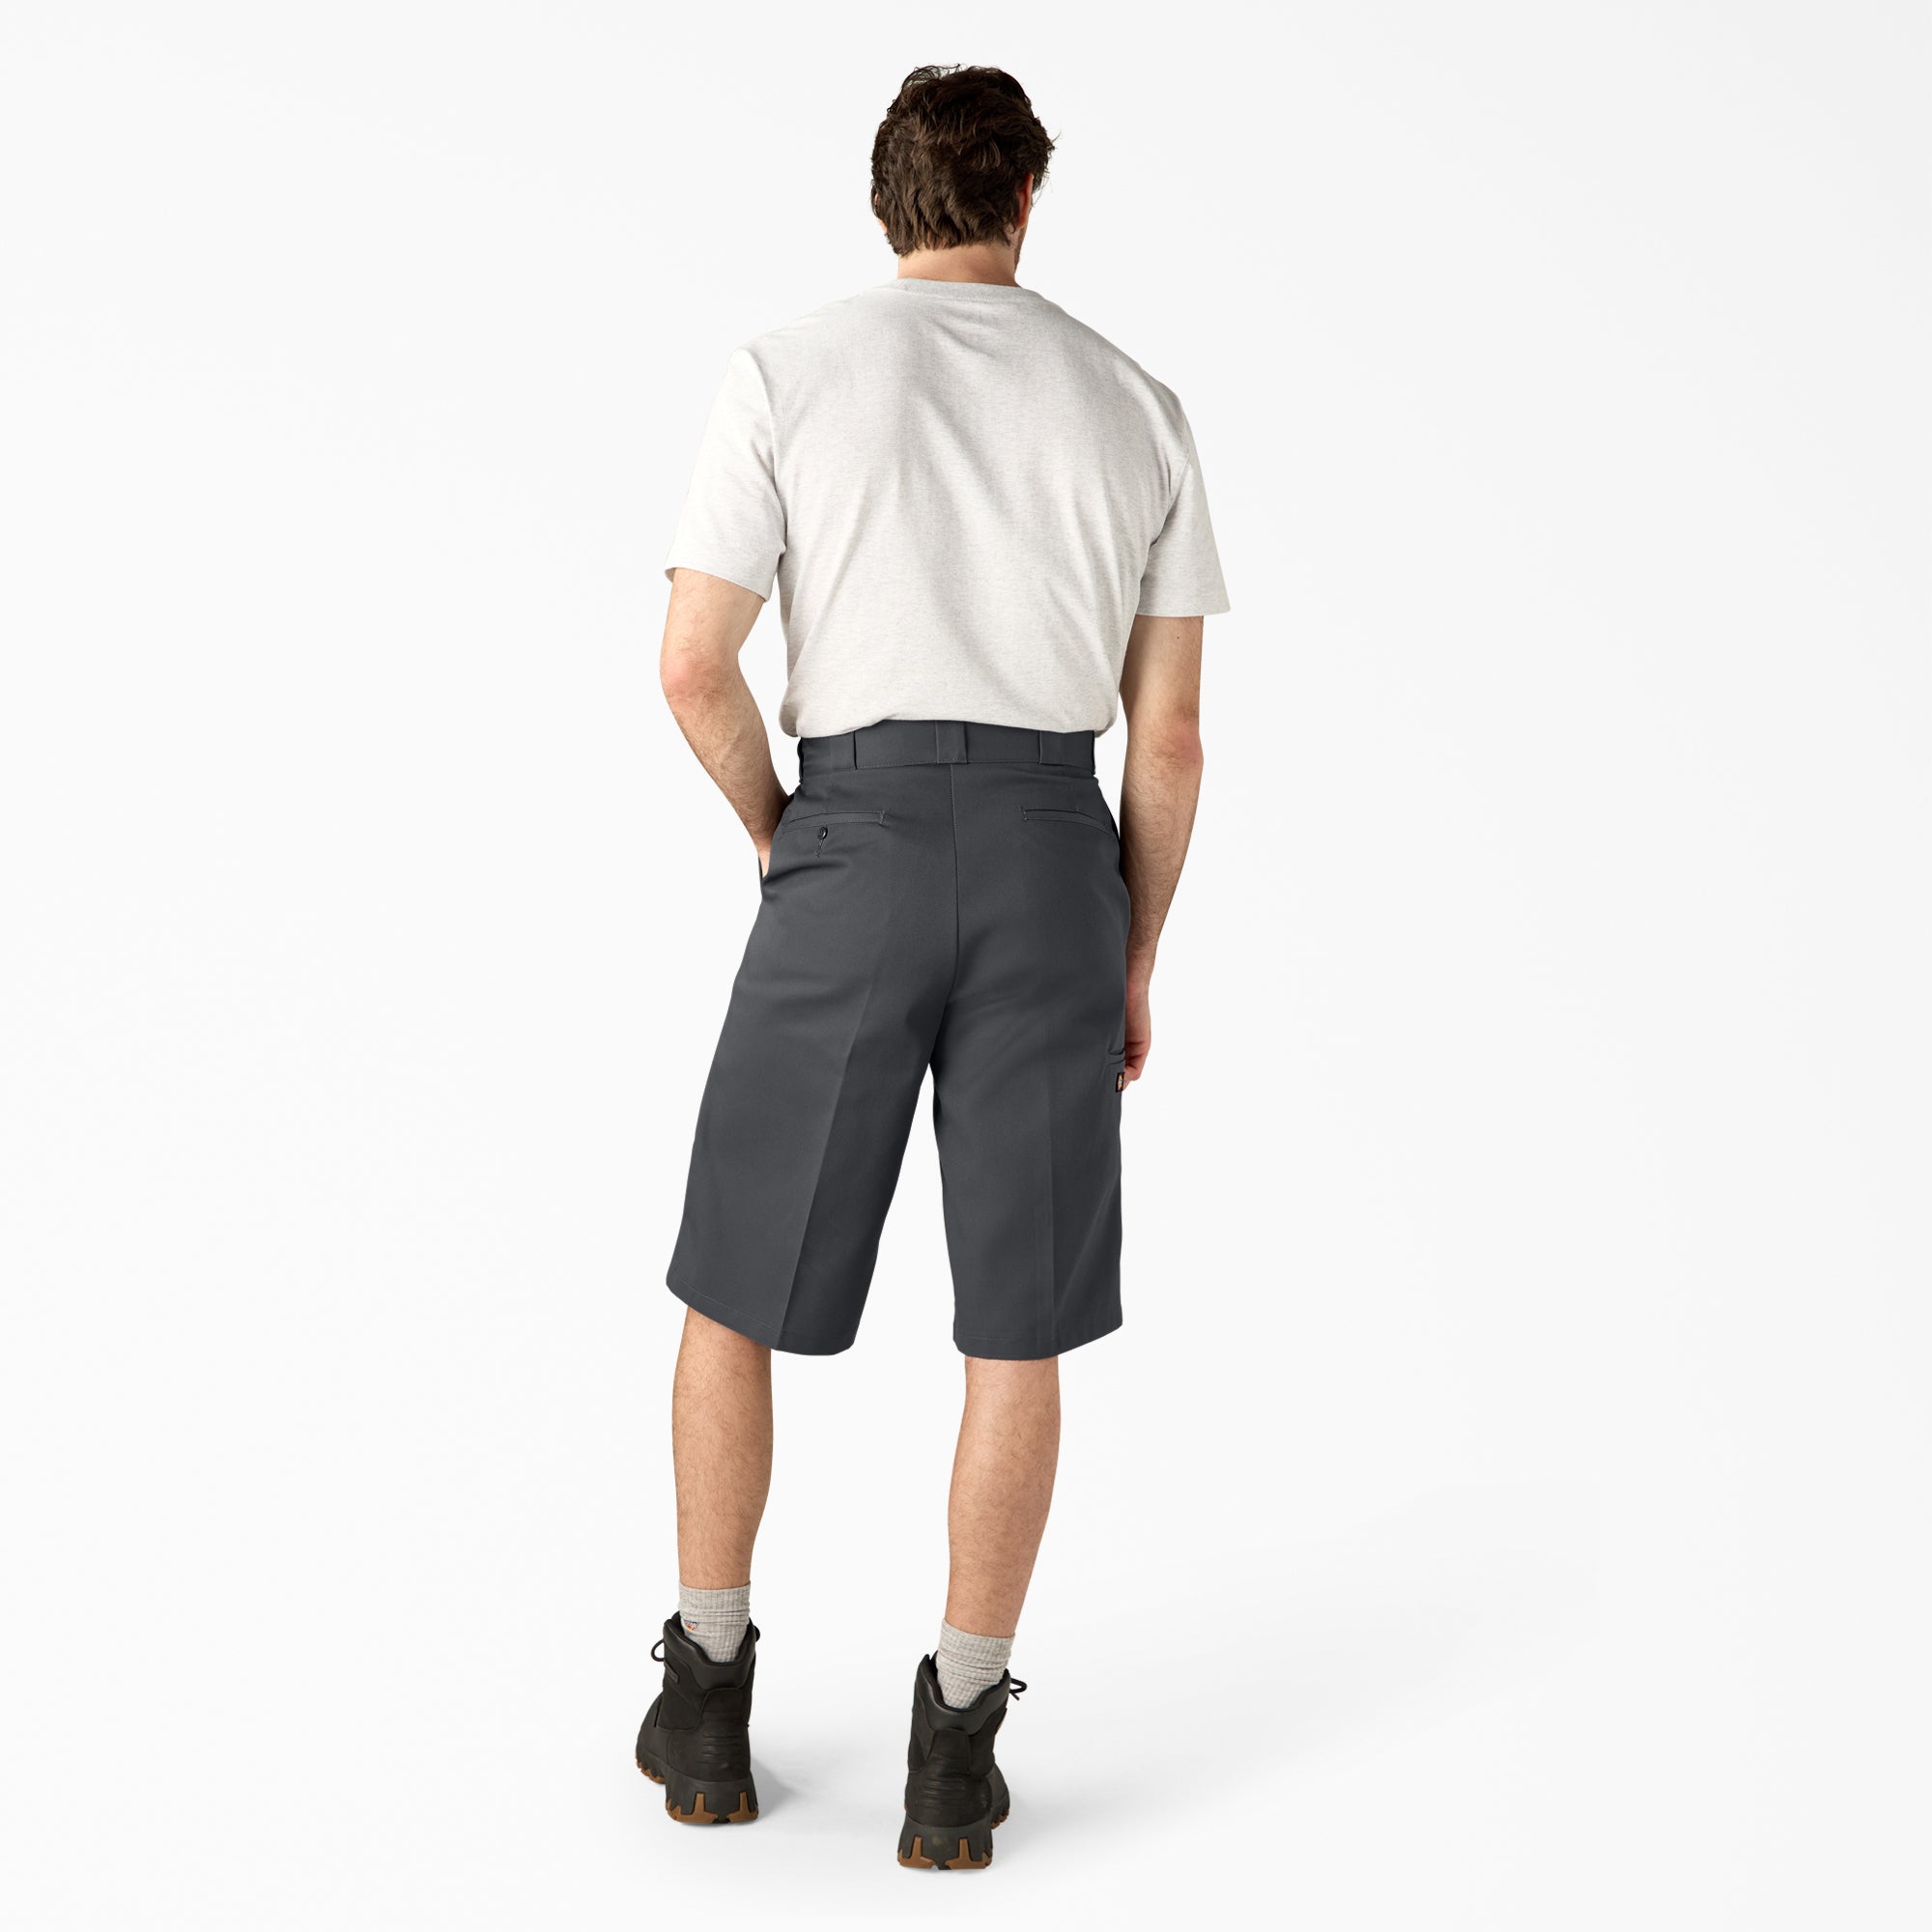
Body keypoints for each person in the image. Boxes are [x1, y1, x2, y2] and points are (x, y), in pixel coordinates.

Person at [634, 64, 1228, 1870]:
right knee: (1015, 1323)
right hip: (1054, 859)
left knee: (736, 1287)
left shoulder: (787, 371)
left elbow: (692, 665)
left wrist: (783, 836)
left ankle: (708, 1700)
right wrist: (1133, 943)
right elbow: (1170, 735)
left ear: (886, 203)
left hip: (853, 840)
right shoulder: (1135, 404)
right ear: (1027, 199)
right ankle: (956, 1753)